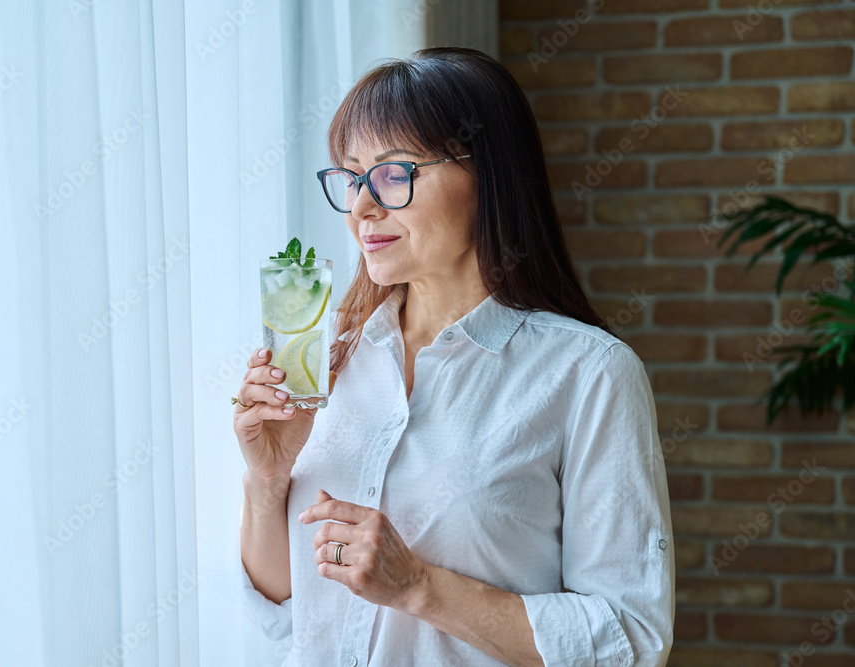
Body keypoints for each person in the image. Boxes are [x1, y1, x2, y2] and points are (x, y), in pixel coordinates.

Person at [233, 46, 673, 666]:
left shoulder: (588, 374)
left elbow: (629, 639)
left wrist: (418, 587)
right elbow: (285, 615)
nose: (361, 207)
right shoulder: (325, 354)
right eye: (353, 176)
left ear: (486, 176)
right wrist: (267, 478)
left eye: (394, 172)